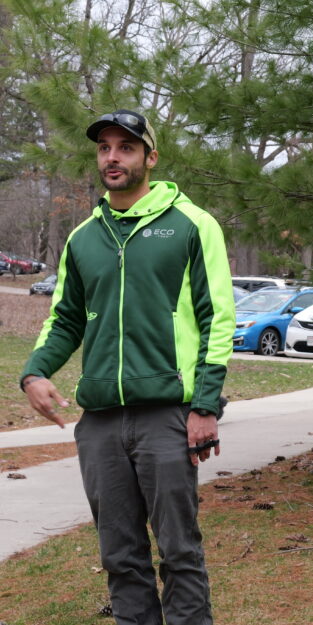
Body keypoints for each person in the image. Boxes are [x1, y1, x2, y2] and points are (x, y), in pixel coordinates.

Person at [19, 109, 235, 625]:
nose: (112, 157)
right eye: (104, 148)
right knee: (120, 558)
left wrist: (205, 406)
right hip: (100, 425)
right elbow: (65, 320)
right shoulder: (83, 239)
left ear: (149, 157)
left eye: (126, 147)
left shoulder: (192, 225)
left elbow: (218, 320)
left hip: (168, 415)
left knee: (179, 552)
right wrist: (34, 372)